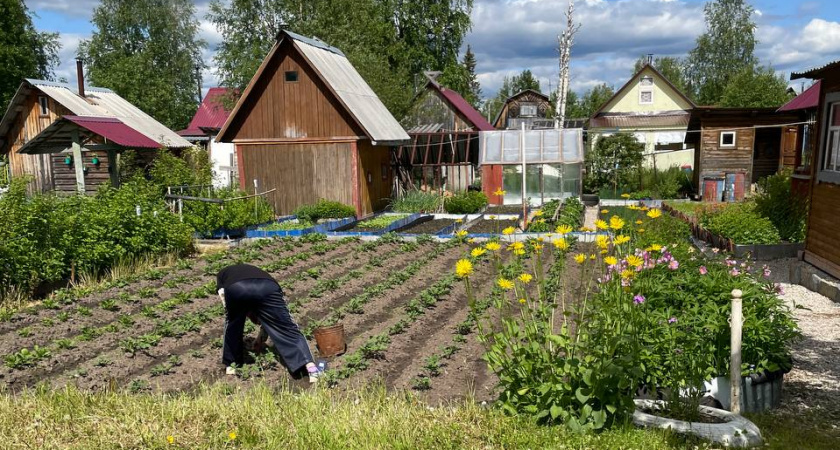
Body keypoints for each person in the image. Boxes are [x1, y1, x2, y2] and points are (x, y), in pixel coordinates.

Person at [216, 263, 322, 382]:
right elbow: (269, 318)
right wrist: (261, 337)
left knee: (233, 325)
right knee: (286, 326)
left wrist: (233, 314)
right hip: (268, 286)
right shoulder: (255, 270)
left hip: (236, 287)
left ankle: (232, 366)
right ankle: (310, 368)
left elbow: (224, 298)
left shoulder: (221, 275)